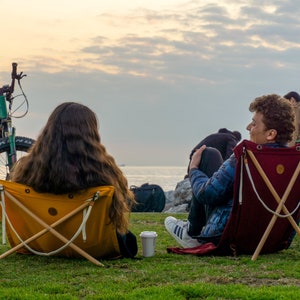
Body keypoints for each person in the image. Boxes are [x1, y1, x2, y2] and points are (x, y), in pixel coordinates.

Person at [165, 94, 295, 248]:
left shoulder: (246, 156)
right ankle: (192, 230)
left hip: (231, 236)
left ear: (270, 134)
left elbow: (208, 194)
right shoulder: (294, 162)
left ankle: (191, 232)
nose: (248, 127)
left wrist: (193, 169)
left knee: (209, 154)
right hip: (274, 238)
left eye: (254, 124)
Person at [10, 102, 138, 258]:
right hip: (91, 246)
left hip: (39, 242)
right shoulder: (102, 172)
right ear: (90, 134)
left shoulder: (27, 169)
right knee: (129, 240)